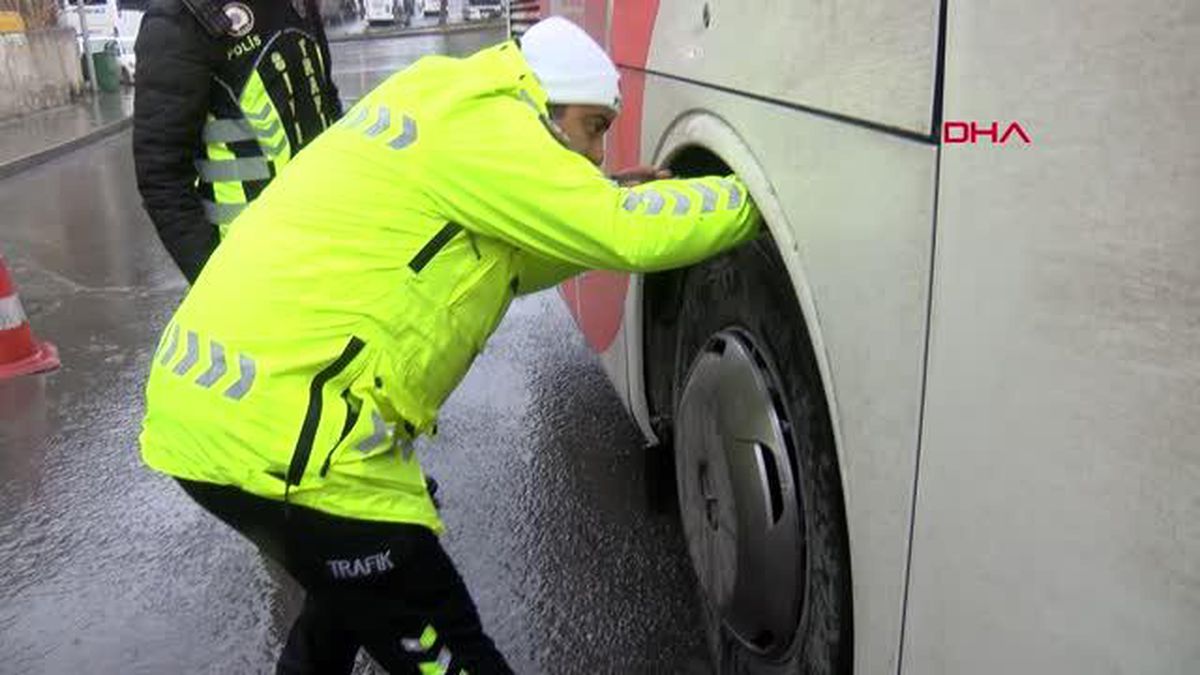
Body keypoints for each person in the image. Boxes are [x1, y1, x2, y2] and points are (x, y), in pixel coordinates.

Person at [138, 16, 760, 674]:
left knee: (344, 597)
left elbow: (509, 259)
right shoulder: (497, 131)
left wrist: (600, 200)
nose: (597, 156)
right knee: (430, 621)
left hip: (214, 412)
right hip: (290, 441)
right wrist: (763, 199)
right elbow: (624, 234)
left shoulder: (450, 99)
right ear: (546, 107)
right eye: (594, 127)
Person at [133, 0, 343, 283]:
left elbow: (327, 102)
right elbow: (162, 177)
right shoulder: (177, 19)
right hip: (252, 268)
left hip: (330, 244)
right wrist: (216, 281)